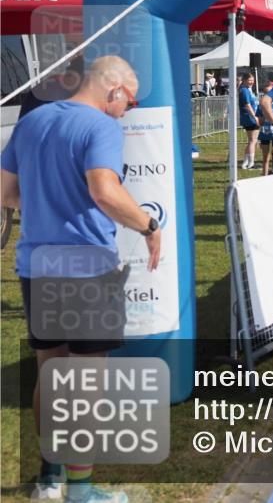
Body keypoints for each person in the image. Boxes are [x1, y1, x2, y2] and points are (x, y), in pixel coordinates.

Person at [1, 55, 161, 503]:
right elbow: (104, 191)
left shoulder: (32, 122)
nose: (126, 112)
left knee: (50, 375)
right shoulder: (101, 127)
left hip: (37, 265)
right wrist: (149, 226)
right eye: (127, 102)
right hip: (88, 267)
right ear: (114, 91)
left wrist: (47, 206)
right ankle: (81, 490)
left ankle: (49, 478)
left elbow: (6, 193)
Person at [257, 80, 273, 176]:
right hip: (265, 134)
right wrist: (264, 116)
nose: (268, 95)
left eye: (270, 93)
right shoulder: (261, 105)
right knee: (265, 157)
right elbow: (259, 121)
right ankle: (265, 175)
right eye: (266, 93)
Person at [238, 72, 260, 170]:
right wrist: (255, 116)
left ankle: (245, 163)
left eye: (253, 80)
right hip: (249, 118)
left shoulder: (248, 90)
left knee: (251, 141)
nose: (251, 82)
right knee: (253, 141)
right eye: (250, 80)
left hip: (249, 117)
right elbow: (247, 105)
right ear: (245, 80)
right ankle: (251, 163)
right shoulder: (244, 90)